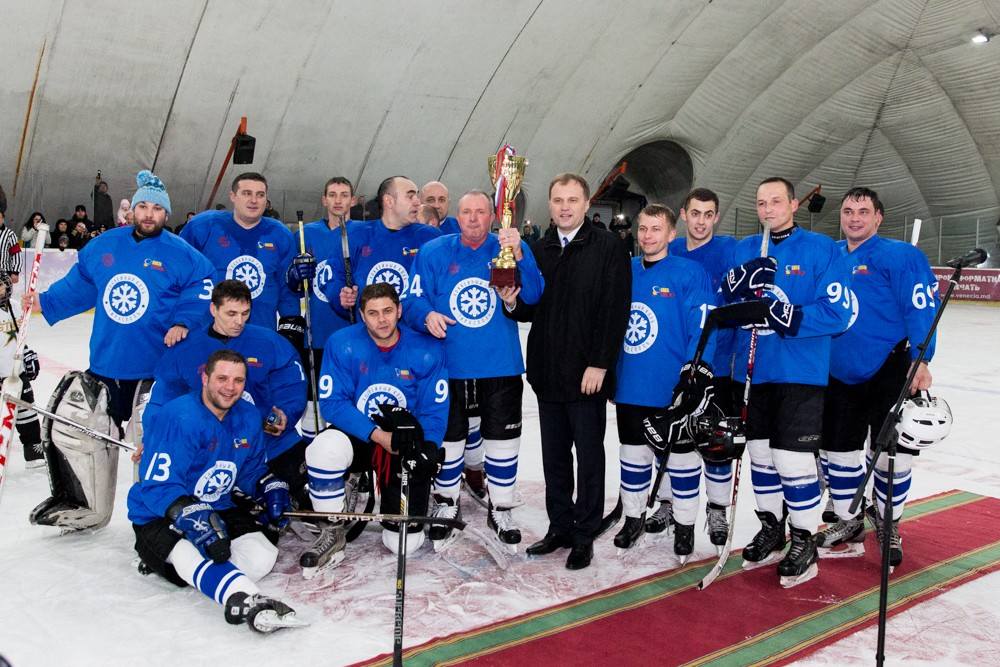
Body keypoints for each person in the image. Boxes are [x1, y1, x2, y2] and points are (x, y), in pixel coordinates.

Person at [25, 170, 216, 530]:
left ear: (166, 214)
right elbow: (80, 286)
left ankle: (159, 510)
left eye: (156, 209)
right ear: (132, 211)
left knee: (154, 439)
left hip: (156, 372)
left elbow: (201, 289)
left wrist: (183, 321)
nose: (148, 214)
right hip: (107, 365)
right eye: (143, 207)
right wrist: (43, 302)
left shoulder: (184, 255)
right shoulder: (104, 246)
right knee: (83, 433)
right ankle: (85, 504)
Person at [722, 177, 851, 586]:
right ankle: (771, 527)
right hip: (752, 371)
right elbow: (724, 306)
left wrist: (786, 315)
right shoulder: (745, 249)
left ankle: (804, 538)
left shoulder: (821, 248)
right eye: (761, 203)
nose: (768, 210)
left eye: (776, 202)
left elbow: (840, 312)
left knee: (791, 460)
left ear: (794, 204)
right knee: (760, 456)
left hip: (800, 372)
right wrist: (733, 288)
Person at [404, 190, 544, 547]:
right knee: (449, 439)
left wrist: (521, 254)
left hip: (500, 365)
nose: (473, 218)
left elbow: (534, 295)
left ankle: (502, 507)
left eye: (480, 212)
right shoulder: (434, 251)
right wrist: (427, 315)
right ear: (457, 214)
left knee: (503, 439)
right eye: (466, 211)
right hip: (448, 366)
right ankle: (446, 502)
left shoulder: (507, 248)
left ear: (492, 216)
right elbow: (412, 299)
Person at [506, 173, 631, 570]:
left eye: (572, 200)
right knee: (555, 458)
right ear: (550, 204)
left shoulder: (608, 247)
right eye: (558, 200)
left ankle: (584, 533)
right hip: (547, 371)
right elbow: (530, 308)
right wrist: (512, 302)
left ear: (586, 203)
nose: (564, 207)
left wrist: (600, 362)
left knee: (589, 458)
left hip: (586, 374)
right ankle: (560, 526)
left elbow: (615, 310)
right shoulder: (538, 248)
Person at [127, 349, 300, 632]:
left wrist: (268, 486)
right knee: (188, 551)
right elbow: (158, 485)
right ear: (205, 378)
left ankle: (194, 572)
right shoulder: (179, 416)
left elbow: (250, 469)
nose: (230, 387)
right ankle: (244, 598)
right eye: (222, 378)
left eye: (238, 380)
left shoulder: (248, 415)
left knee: (262, 555)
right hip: (159, 512)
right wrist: (193, 520)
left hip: (218, 504)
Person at [817, 187, 937, 567]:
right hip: (837, 369)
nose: (854, 218)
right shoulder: (829, 254)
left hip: (889, 368)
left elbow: (921, 307)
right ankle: (849, 519)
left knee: (890, 456)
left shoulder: (900, 255)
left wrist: (921, 358)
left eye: (863, 211)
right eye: (848, 211)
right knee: (838, 453)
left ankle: (888, 522)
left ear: (878, 217)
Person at [301, 283, 446, 575]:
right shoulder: (342, 342)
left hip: (403, 441)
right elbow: (332, 403)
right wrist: (378, 436)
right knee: (322, 450)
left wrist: (429, 447)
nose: (382, 320)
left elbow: (434, 408)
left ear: (399, 311)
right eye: (373, 313)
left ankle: (412, 498)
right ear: (362, 315)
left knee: (403, 544)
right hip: (361, 434)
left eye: (388, 311)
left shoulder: (426, 348)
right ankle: (333, 527)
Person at [144, 280, 308, 508]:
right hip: (211, 451)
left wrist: (287, 413)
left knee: (311, 497)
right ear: (213, 309)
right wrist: (151, 438)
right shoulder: (186, 349)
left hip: (272, 441)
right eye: (231, 313)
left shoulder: (268, 341)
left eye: (245, 313)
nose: (239, 321)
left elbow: (293, 381)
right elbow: (163, 398)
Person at [611, 204, 715, 560]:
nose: (648, 236)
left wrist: (694, 374)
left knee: (682, 460)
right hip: (631, 384)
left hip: (672, 388)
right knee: (633, 456)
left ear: (672, 234)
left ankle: (684, 524)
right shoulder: (625, 271)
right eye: (643, 228)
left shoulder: (690, 273)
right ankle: (633, 517)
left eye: (656, 229)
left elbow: (703, 327)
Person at [653, 188, 739, 548]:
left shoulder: (729, 250)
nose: (701, 221)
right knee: (671, 439)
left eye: (708, 214)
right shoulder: (668, 249)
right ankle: (668, 502)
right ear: (684, 214)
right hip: (673, 366)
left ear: (716, 217)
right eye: (695, 213)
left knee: (715, 442)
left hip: (717, 366)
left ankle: (717, 509)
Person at [180, 172, 301, 330]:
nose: (254, 200)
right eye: (246, 193)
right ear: (233, 196)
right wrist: (181, 321)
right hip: (209, 330)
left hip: (260, 330)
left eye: (260, 195)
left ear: (266, 199)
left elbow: (287, 286)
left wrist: (290, 323)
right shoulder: (204, 226)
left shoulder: (280, 235)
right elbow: (180, 274)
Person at [323, 176, 441, 322]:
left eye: (416, 196)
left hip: (416, 332)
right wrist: (340, 296)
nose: (417, 202)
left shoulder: (431, 238)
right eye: (410, 196)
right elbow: (331, 275)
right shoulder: (357, 235)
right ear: (389, 201)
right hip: (368, 331)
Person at [297, 177, 357, 439]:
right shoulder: (305, 234)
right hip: (317, 333)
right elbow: (291, 283)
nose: (338, 200)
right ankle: (312, 454)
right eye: (332, 195)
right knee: (315, 399)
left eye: (344, 195)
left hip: (352, 334)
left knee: (349, 397)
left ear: (352, 201)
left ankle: (348, 455)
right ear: (324, 200)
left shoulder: (362, 233)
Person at [0, 196, 42, 467]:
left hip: (13, 368)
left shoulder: (15, 307)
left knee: (25, 405)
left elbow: (20, 334)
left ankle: (33, 448)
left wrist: (27, 353)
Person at [0, 208, 22, 283]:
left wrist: (15, 272)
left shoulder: (10, 234)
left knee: (3, 290)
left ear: (3, 219)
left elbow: (17, 254)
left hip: (4, 273)